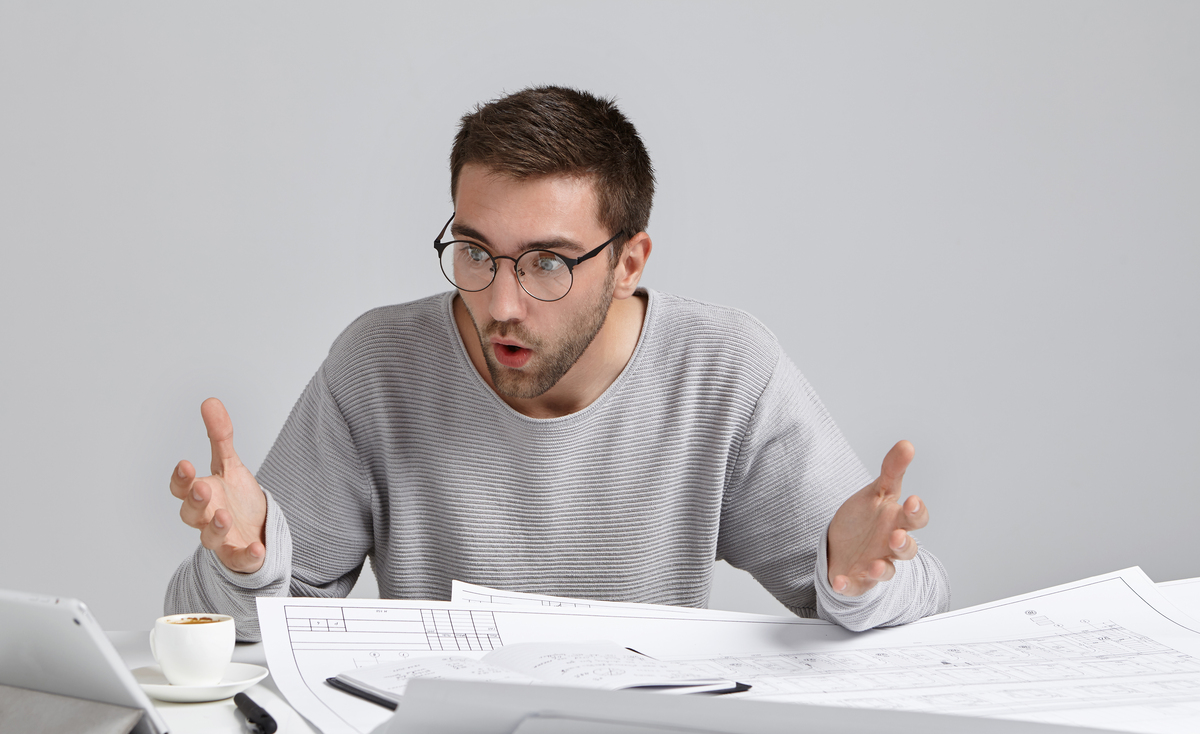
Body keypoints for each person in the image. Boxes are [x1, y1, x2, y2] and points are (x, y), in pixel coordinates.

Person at [166, 86, 949, 641]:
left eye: (548, 263)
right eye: (475, 252)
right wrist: (247, 564)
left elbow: (909, 609)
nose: (502, 302)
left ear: (630, 261)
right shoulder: (379, 368)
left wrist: (860, 582)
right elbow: (240, 630)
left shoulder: (723, 372)